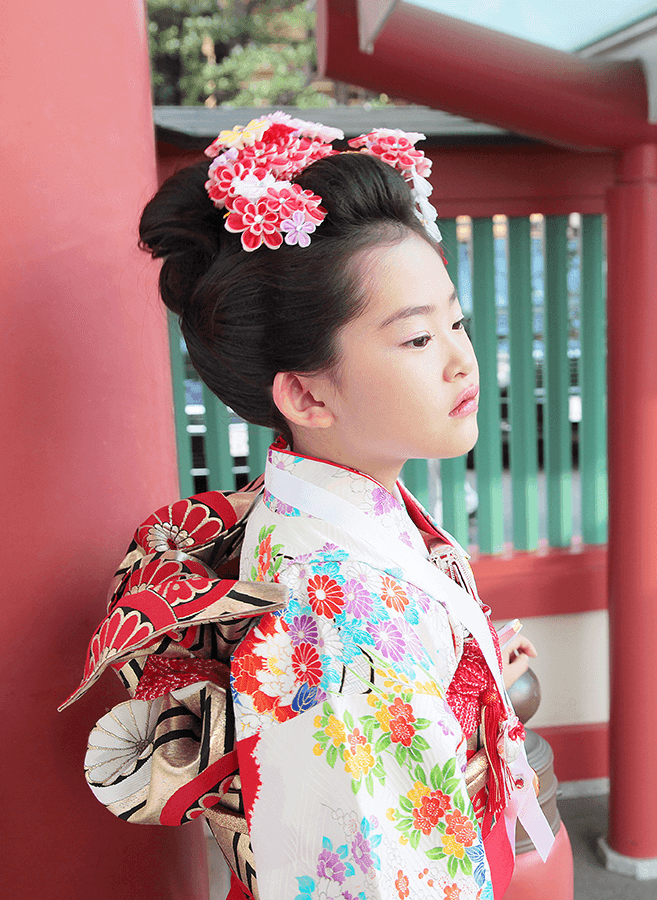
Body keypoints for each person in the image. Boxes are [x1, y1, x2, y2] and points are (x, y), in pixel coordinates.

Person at [60, 112, 552, 900]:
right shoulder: (326, 602)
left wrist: (467, 657)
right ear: (307, 393)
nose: (463, 357)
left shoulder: (342, 515)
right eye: (418, 340)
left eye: (454, 320)